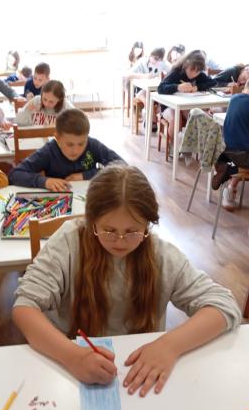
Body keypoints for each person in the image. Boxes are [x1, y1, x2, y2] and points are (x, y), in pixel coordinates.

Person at [12, 165, 241, 395]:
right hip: (71, 370)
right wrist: (73, 356)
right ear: (92, 221)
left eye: (132, 231)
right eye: (109, 230)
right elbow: (25, 308)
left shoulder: (161, 255)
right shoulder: (69, 242)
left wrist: (169, 346)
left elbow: (223, 304)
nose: (120, 241)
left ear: (147, 224)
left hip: (139, 370)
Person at [9, 109, 125, 190]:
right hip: (59, 204)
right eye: (70, 144)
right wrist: (45, 181)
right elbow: (15, 174)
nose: (76, 150)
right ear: (57, 138)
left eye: (81, 144)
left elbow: (122, 165)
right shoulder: (49, 150)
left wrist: (85, 175)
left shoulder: (92, 144)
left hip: (89, 198)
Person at [184, 80, 249, 211]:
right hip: (243, 157)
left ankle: (230, 182)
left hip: (223, 151)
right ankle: (230, 183)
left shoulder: (234, 99)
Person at [158, 50, 217, 144]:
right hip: (169, 106)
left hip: (188, 105)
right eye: (192, 70)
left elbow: (213, 82)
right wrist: (178, 87)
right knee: (175, 118)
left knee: (198, 115)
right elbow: (161, 88)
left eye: (197, 71)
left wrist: (197, 87)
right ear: (186, 64)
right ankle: (174, 146)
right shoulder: (176, 72)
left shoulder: (199, 75)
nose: (194, 74)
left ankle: (192, 145)